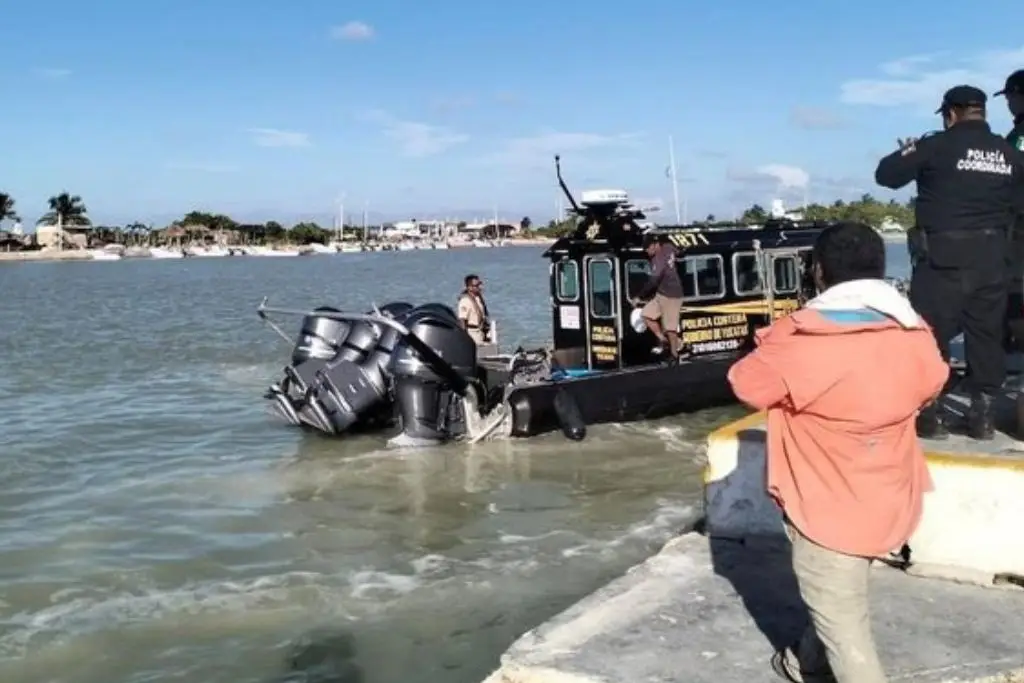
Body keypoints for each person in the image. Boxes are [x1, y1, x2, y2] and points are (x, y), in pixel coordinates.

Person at [727, 221, 948, 683]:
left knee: (848, 632)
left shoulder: (799, 340)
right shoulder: (915, 333)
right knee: (837, 598)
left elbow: (744, 384)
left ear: (819, 271)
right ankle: (806, 661)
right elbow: (932, 384)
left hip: (826, 509)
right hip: (890, 495)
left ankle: (821, 662)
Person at [874, 84, 1024, 440]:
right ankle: (982, 417)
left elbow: (886, 175)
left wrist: (910, 150)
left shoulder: (934, 146)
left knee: (929, 338)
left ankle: (930, 416)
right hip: (992, 262)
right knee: (986, 337)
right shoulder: (1010, 154)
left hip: (942, 263)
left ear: (950, 113)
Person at [996, 71, 1024, 352]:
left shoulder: (1021, 135)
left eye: (1010, 97)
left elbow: (1011, 169)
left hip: (1019, 221)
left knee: (1014, 283)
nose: (1008, 104)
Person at [629, 233, 684, 360]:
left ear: (655, 245)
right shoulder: (669, 247)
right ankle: (663, 340)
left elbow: (653, 281)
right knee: (646, 314)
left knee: (671, 328)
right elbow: (679, 252)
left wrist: (639, 296)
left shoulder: (658, 259)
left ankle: (674, 354)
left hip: (673, 295)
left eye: (647, 248)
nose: (646, 251)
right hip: (661, 294)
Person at [457, 273, 491, 345]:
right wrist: (464, 338)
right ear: (469, 287)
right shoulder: (465, 301)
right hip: (472, 332)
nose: (479, 287)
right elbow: (462, 320)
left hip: (480, 331)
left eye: (479, 284)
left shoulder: (478, 298)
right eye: (476, 285)